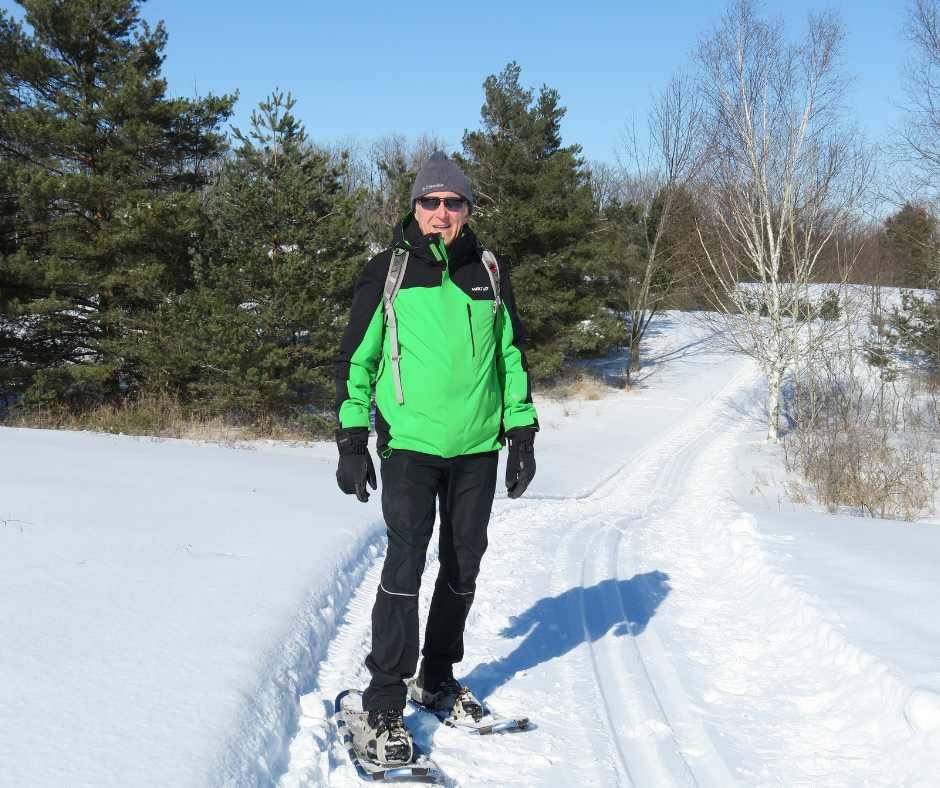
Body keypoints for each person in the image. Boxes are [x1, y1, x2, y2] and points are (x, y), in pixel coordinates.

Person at [334, 151, 539, 765]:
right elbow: (356, 360)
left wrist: (522, 432)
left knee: (463, 565)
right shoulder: (388, 272)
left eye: (453, 203)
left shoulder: (489, 272)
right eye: (431, 202)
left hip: (476, 448)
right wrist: (351, 439)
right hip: (410, 448)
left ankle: (438, 677)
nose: (441, 213)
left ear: (467, 210)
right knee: (404, 567)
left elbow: (511, 357)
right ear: (415, 207)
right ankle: (384, 702)